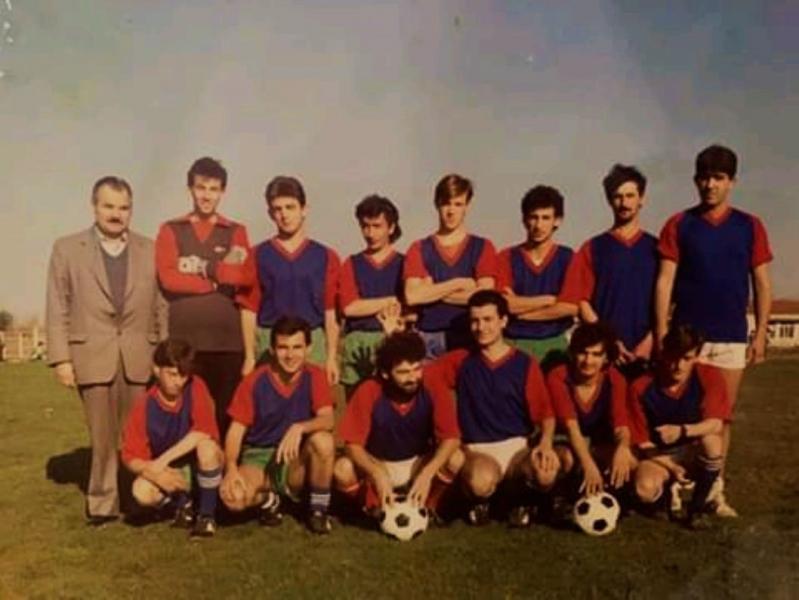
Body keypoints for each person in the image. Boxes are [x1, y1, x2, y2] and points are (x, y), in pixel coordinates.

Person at [655, 144, 772, 517]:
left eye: (718, 178)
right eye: (704, 178)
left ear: (732, 182)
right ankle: (675, 485)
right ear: (696, 180)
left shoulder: (750, 225)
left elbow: (762, 284)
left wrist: (760, 333)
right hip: (687, 339)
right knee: (682, 413)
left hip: (731, 337)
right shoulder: (679, 224)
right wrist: (660, 332)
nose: (710, 185)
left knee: (720, 417)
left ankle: (713, 490)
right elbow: (664, 282)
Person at [46, 176, 167, 525]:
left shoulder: (150, 249)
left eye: (123, 207)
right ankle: (101, 502)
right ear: (94, 206)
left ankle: (136, 498)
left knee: (137, 435)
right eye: (108, 206)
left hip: (140, 356)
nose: (116, 214)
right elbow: (57, 305)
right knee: (101, 437)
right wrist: (62, 359)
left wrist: (164, 356)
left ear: (131, 210)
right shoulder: (67, 249)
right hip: (91, 356)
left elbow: (161, 306)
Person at [430, 290, 558, 527]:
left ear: (503, 321)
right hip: (478, 450)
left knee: (546, 470)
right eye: (475, 321)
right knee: (480, 481)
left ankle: (523, 502)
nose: (481, 327)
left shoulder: (524, 363)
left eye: (488, 319)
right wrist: (394, 336)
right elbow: (417, 375)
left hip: (518, 449)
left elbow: (545, 414)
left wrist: (546, 443)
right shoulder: (460, 360)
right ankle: (477, 501)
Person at [155, 157, 251, 433]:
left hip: (227, 343)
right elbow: (169, 278)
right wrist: (215, 281)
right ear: (190, 189)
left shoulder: (235, 231)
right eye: (200, 188)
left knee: (226, 416)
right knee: (187, 417)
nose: (206, 196)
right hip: (186, 342)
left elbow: (243, 277)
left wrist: (203, 268)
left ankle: (226, 462)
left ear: (222, 192)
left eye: (213, 189)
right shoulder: (171, 229)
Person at [219, 316, 336, 534]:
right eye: (283, 348)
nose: (290, 355)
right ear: (272, 350)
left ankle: (318, 511)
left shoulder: (315, 375)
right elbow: (235, 431)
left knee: (324, 441)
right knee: (233, 498)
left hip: (294, 459)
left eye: (297, 347)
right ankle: (267, 499)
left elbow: (328, 419)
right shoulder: (254, 381)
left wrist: (300, 427)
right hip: (259, 458)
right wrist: (231, 468)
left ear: (308, 349)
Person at [334, 331, 460, 522]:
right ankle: (371, 508)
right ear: (385, 373)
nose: (412, 378)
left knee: (456, 458)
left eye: (417, 369)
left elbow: (451, 438)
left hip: (419, 462)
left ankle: (430, 506)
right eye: (403, 372)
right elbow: (352, 445)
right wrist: (376, 473)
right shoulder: (369, 390)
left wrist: (427, 473)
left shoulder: (432, 385)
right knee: (342, 469)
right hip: (380, 463)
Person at [239, 176, 341, 384]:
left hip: (312, 342)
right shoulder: (258, 254)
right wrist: (249, 356)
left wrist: (331, 357)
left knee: (314, 399)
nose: (284, 215)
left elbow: (331, 311)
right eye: (277, 209)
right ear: (270, 213)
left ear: (304, 209)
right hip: (270, 340)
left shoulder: (325, 256)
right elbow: (248, 309)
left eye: (290, 207)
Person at [629, 324, 730, 529]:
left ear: (696, 356)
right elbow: (642, 441)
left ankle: (697, 509)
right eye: (673, 358)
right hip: (659, 454)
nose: (679, 366)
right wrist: (672, 467)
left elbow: (715, 423)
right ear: (663, 354)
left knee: (712, 442)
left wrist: (682, 431)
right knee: (644, 489)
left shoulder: (708, 375)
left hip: (693, 450)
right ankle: (665, 498)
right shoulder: (642, 386)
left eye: (687, 358)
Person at [561, 164, 658, 375]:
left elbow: (669, 303)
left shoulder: (657, 248)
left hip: (648, 353)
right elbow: (581, 302)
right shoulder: (592, 248)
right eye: (618, 197)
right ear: (609, 200)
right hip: (604, 356)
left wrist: (651, 340)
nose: (624, 203)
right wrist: (608, 340)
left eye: (630, 196)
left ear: (642, 198)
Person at [121, 339, 223, 538]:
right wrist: (154, 473)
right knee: (141, 491)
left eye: (183, 375)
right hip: (172, 469)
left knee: (206, 447)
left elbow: (203, 431)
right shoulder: (144, 405)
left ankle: (207, 515)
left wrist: (161, 461)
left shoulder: (196, 386)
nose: (179, 381)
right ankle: (182, 505)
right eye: (172, 374)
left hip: (201, 464)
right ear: (156, 370)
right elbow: (130, 456)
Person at [403, 174, 497, 358]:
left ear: (467, 206)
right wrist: (458, 283)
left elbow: (484, 298)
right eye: (446, 203)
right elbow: (412, 296)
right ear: (437, 204)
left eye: (458, 204)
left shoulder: (482, 247)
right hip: (428, 339)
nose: (451, 211)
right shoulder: (419, 248)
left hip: (469, 336)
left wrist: (432, 292)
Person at [546, 323, 636, 498]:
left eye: (596, 354)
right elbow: (571, 428)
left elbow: (621, 424)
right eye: (583, 353)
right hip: (565, 442)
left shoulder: (615, 379)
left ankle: (619, 496)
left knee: (628, 460)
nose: (588, 361)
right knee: (565, 459)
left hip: (597, 443)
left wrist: (623, 447)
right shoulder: (558, 376)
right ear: (573, 353)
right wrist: (589, 466)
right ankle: (559, 498)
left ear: (606, 358)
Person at [497, 185, 578, 367]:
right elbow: (504, 305)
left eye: (545, 218)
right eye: (533, 217)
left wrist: (521, 313)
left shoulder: (569, 258)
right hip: (514, 342)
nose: (539, 225)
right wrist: (549, 300)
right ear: (524, 220)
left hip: (555, 342)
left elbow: (570, 307)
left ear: (557, 221)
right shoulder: (506, 257)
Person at [338, 195, 405, 395]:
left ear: (391, 228)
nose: (370, 233)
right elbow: (349, 307)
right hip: (357, 343)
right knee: (356, 404)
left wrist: (367, 306)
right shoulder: (351, 263)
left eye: (377, 226)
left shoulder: (404, 263)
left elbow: (411, 306)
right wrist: (391, 300)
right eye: (365, 226)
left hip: (394, 338)